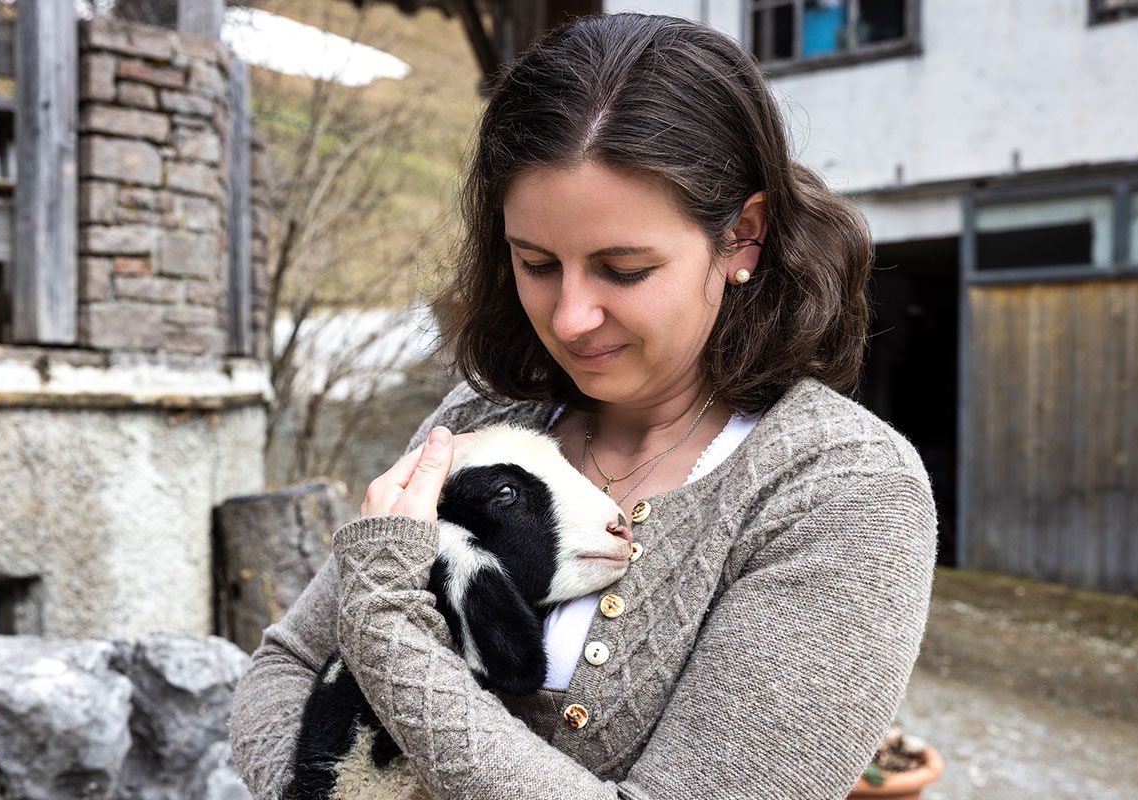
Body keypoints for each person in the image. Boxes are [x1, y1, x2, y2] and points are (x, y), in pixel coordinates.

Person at [230, 12, 937, 800]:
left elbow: (375, 617)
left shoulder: (842, 491)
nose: (569, 317)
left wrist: (389, 628)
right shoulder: (480, 422)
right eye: (536, 263)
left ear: (743, 236)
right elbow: (286, 667)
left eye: (622, 269)